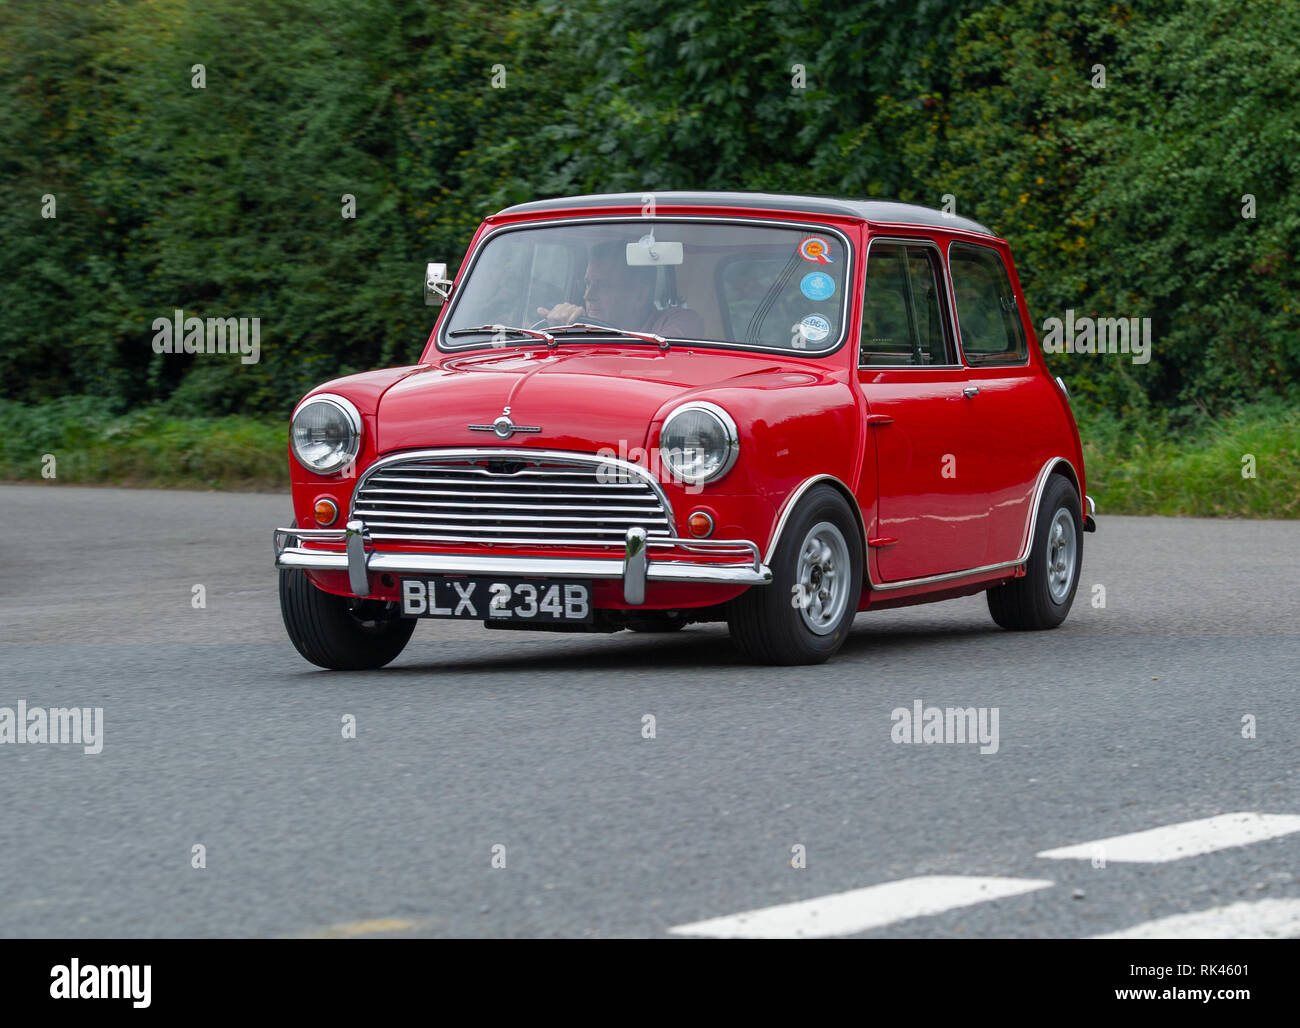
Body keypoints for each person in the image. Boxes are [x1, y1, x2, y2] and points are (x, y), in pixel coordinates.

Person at [537, 240, 704, 338]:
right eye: (588, 284)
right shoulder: (581, 327)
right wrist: (561, 333)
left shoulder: (679, 322)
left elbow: (655, 363)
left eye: (603, 286)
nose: (588, 296)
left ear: (639, 295)